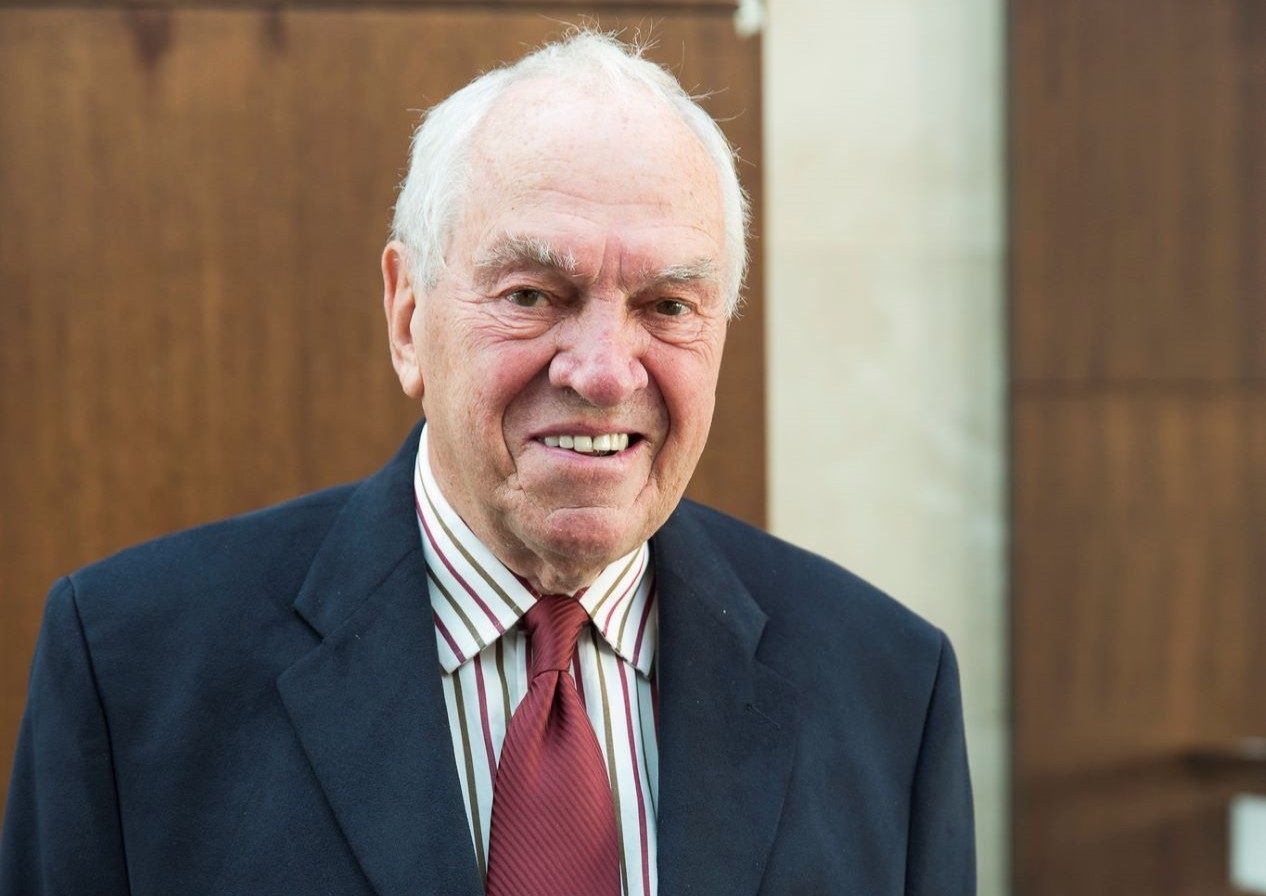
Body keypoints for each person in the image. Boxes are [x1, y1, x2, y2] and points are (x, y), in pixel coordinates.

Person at [0, 31, 974, 896]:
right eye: (534, 292)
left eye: (669, 306)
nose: (601, 370)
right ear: (407, 313)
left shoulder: (890, 687)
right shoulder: (132, 669)